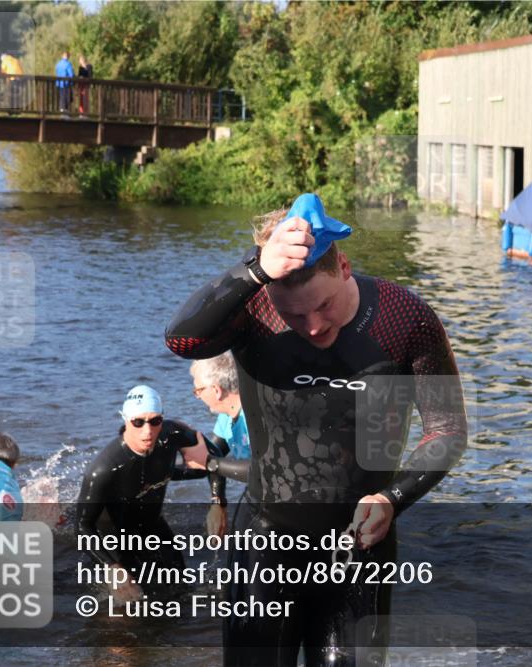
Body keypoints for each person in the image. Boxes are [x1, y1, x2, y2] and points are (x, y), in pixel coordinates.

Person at [165, 193, 468, 665]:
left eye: (323, 305)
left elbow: (447, 429)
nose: (311, 326)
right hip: (266, 538)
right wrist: (254, 270)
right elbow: (182, 338)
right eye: (294, 314)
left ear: (343, 267)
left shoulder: (404, 317)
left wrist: (392, 498)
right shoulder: (253, 309)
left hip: (359, 545)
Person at [75, 385, 227, 602]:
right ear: (126, 420)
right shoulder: (104, 469)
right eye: (138, 422)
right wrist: (113, 567)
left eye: (155, 421)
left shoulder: (173, 433)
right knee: (131, 609)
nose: (147, 431)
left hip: (153, 525)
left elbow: (215, 457)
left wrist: (218, 503)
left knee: (181, 591)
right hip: (115, 538)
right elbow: (82, 527)